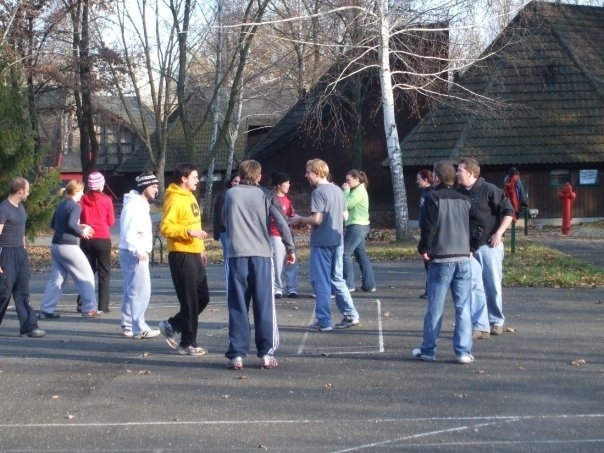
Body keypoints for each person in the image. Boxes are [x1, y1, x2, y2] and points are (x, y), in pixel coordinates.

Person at [223, 160, 296, 370]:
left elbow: (224, 220)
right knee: (264, 305)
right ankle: (265, 353)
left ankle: (237, 355)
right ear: (259, 176)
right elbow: (281, 221)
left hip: (236, 255)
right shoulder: (266, 195)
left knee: (237, 305)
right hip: (262, 255)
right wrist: (290, 248)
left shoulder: (230, 194)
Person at [413, 161, 474, 364]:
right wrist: (472, 246)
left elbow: (428, 227)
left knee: (435, 306)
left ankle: (429, 349)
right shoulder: (465, 198)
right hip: (463, 257)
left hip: (442, 257)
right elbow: (477, 224)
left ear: (437, 178)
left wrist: (423, 248)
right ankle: (463, 351)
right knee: (463, 306)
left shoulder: (433, 198)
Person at [289, 158, 360, 331]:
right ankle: (351, 314)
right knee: (337, 279)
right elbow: (344, 216)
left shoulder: (318, 192)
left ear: (317, 173)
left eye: (308, 172)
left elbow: (317, 219)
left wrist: (300, 219)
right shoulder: (338, 190)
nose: (306, 175)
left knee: (321, 281)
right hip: (337, 240)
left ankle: (324, 321)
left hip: (322, 242)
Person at [456, 157, 515, 336]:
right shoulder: (458, 193)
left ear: (470, 173)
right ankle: (480, 326)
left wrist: (499, 233)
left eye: (460, 170)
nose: (457, 173)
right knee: (474, 286)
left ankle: (496, 321)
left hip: (489, 246)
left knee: (493, 286)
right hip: (468, 249)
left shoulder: (489, 189)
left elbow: (509, 212)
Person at [158, 163, 211, 356]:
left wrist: (201, 248)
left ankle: (172, 324)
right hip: (181, 255)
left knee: (203, 297)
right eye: (194, 177)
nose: (197, 180)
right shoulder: (174, 198)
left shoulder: (190, 196)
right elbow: (166, 227)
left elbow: (195, 224)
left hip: (195, 253)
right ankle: (187, 343)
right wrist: (188, 232)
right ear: (184, 178)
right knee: (190, 302)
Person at [39, 180, 99, 319]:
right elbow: (71, 224)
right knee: (86, 275)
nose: (83, 194)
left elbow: (53, 224)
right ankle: (89, 308)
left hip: (56, 244)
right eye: (81, 191)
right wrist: (82, 232)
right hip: (68, 245)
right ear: (76, 191)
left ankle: (46, 309)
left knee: (57, 278)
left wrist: (77, 227)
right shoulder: (75, 206)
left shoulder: (61, 204)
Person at [0, 177, 46, 338]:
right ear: (20, 191)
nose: (29, 192)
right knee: (4, 292)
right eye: (27, 190)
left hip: (20, 252)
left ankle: (29, 326)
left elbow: (21, 231)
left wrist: (24, 248)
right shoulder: (4, 208)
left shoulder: (21, 208)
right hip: (6, 253)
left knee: (23, 291)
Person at [118, 172, 161, 339]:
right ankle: (139, 328)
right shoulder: (133, 206)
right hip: (134, 253)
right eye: (153, 186)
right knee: (141, 291)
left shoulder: (139, 204)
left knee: (132, 290)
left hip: (134, 252)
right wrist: (138, 250)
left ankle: (128, 324)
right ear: (144, 187)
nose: (156, 190)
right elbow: (129, 231)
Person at [76, 171, 115, 313]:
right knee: (104, 273)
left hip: (86, 238)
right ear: (101, 185)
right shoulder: (107, 199)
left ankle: (82, 302)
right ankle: (103, 305)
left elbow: (78, 218)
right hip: (103, 238)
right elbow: (111, 221)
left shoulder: (82, 199)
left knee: (86, 270)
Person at [342, 169, 376, 293]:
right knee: (361, 255)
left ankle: (348, 284)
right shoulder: (357, 190)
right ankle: (369, 285)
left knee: (344, 253)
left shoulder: (358, 191)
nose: (346, 183)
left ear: (356, 179)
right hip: (360, 225)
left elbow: (346, 204)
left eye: (348, 180)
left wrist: (345, 191)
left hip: (357, 226)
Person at [269, 172, 299, 299]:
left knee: (291, 261)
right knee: (277, 262)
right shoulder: (271, 199)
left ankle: (292, 288)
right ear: (278, 185)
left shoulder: (288, 199)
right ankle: (277, 288)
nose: (289, 185)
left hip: (289, 234)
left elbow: (291, 215)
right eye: (286, 182)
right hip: (276, 234)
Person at [212, 173, 240, 262]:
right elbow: (218, 215)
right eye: (235, 181)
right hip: (225, 230)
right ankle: (228, 270)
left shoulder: (244, 196)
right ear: (231, 182)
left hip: (240, 231)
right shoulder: (223, 195)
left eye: (240, 182)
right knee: (228, 255)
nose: (237, 184)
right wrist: (216, 233)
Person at [416, 169, 434, 299]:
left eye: (419, 179)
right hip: (424, 229)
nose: (417, 181)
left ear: (426, 179)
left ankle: (431, 290)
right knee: (428, 264)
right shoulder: (425, 193)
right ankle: (429, 289)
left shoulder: (431, 194)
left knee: (430, 263)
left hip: (429, 233)